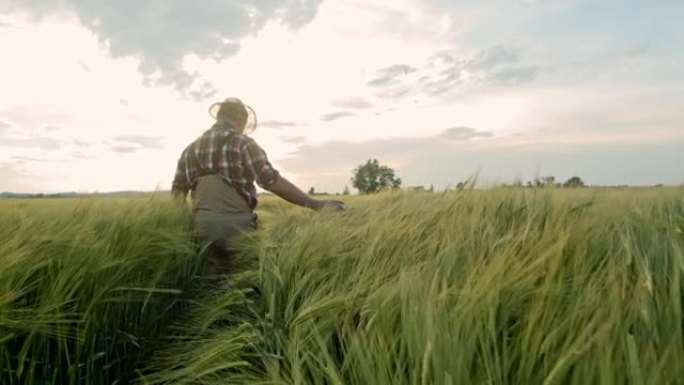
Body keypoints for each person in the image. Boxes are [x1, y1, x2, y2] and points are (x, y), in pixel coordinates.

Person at [171, 97, 344, 280]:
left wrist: (191, 226)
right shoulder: (243, 143)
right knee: (247, 281)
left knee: (212, 285)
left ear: (220, 117)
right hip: (237, 227)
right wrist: (314, 204)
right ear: (240, 120)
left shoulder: (189, 150)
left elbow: (177, 193)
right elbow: (270, 181)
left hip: (202, 228)